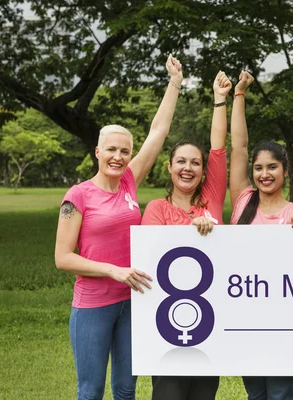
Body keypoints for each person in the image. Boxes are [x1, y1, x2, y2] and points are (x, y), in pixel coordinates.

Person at [54, 55, 183, 400]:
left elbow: (158, 132)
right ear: (97, 151)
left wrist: (175, 83)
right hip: (93, 306)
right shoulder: (78, 195)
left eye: (124, 151)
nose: (119, 156)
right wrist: (114, 270)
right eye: (111, 149)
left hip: (132, 302)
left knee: (126, 389)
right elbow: (63, 258)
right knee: (91, 390)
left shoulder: (128, 183)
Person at [141, 71, 232, 399]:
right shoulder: (155, 209)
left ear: (203, 171)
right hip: (168, 319)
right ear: (169, 166)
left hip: (210, 317)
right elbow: (152, 255)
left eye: (195, 162)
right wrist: (190, 232)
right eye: (181, 161)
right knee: (170, 392)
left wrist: (219, 99)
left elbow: (218, 147)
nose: (188, 167)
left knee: (204, 393)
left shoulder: (211, 199)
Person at [231, 71, 293, 400]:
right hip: (246, 318)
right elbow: (238, 147)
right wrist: (239, 95)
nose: (264, 174)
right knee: (256, 395)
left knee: (281, 394)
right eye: (259, 168)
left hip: (286, 323)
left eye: (272, 167)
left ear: (285, 169)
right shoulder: (242, 202)